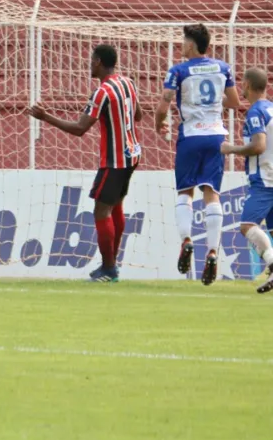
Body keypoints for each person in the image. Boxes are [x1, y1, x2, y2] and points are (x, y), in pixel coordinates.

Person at [27, 44, 142, 282]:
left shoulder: (103, 92)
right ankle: (110, 264)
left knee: (101, 210)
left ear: (98, 61)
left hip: (114, 160)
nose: (89, 65)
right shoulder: (128, 83)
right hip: (132, 155)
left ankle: (109, 269)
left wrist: (45, 116)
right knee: (115, 206)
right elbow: (138, 115)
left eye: (91, 61)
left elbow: (80, 128)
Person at [154, 23, 239, 285]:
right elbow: (235, 102)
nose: (181, 45)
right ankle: (213, 251)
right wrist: (214, 105)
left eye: (183, 41)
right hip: (216, 135)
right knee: (211, 193)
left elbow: (165, 101)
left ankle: (187, 240)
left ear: (192, 45)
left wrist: (159, 123)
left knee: (185, 192)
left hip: (190, 135)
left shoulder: (178, 71)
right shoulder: (223, 68)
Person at [220, 67, 273, 293]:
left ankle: (271, 261)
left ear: (248, 85)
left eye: (242, 82)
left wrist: (231, 149)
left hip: (265, 180)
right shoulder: (271, 108)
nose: (240, 85)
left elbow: (259, 145)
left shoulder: (255, 112)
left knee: (247, 226)